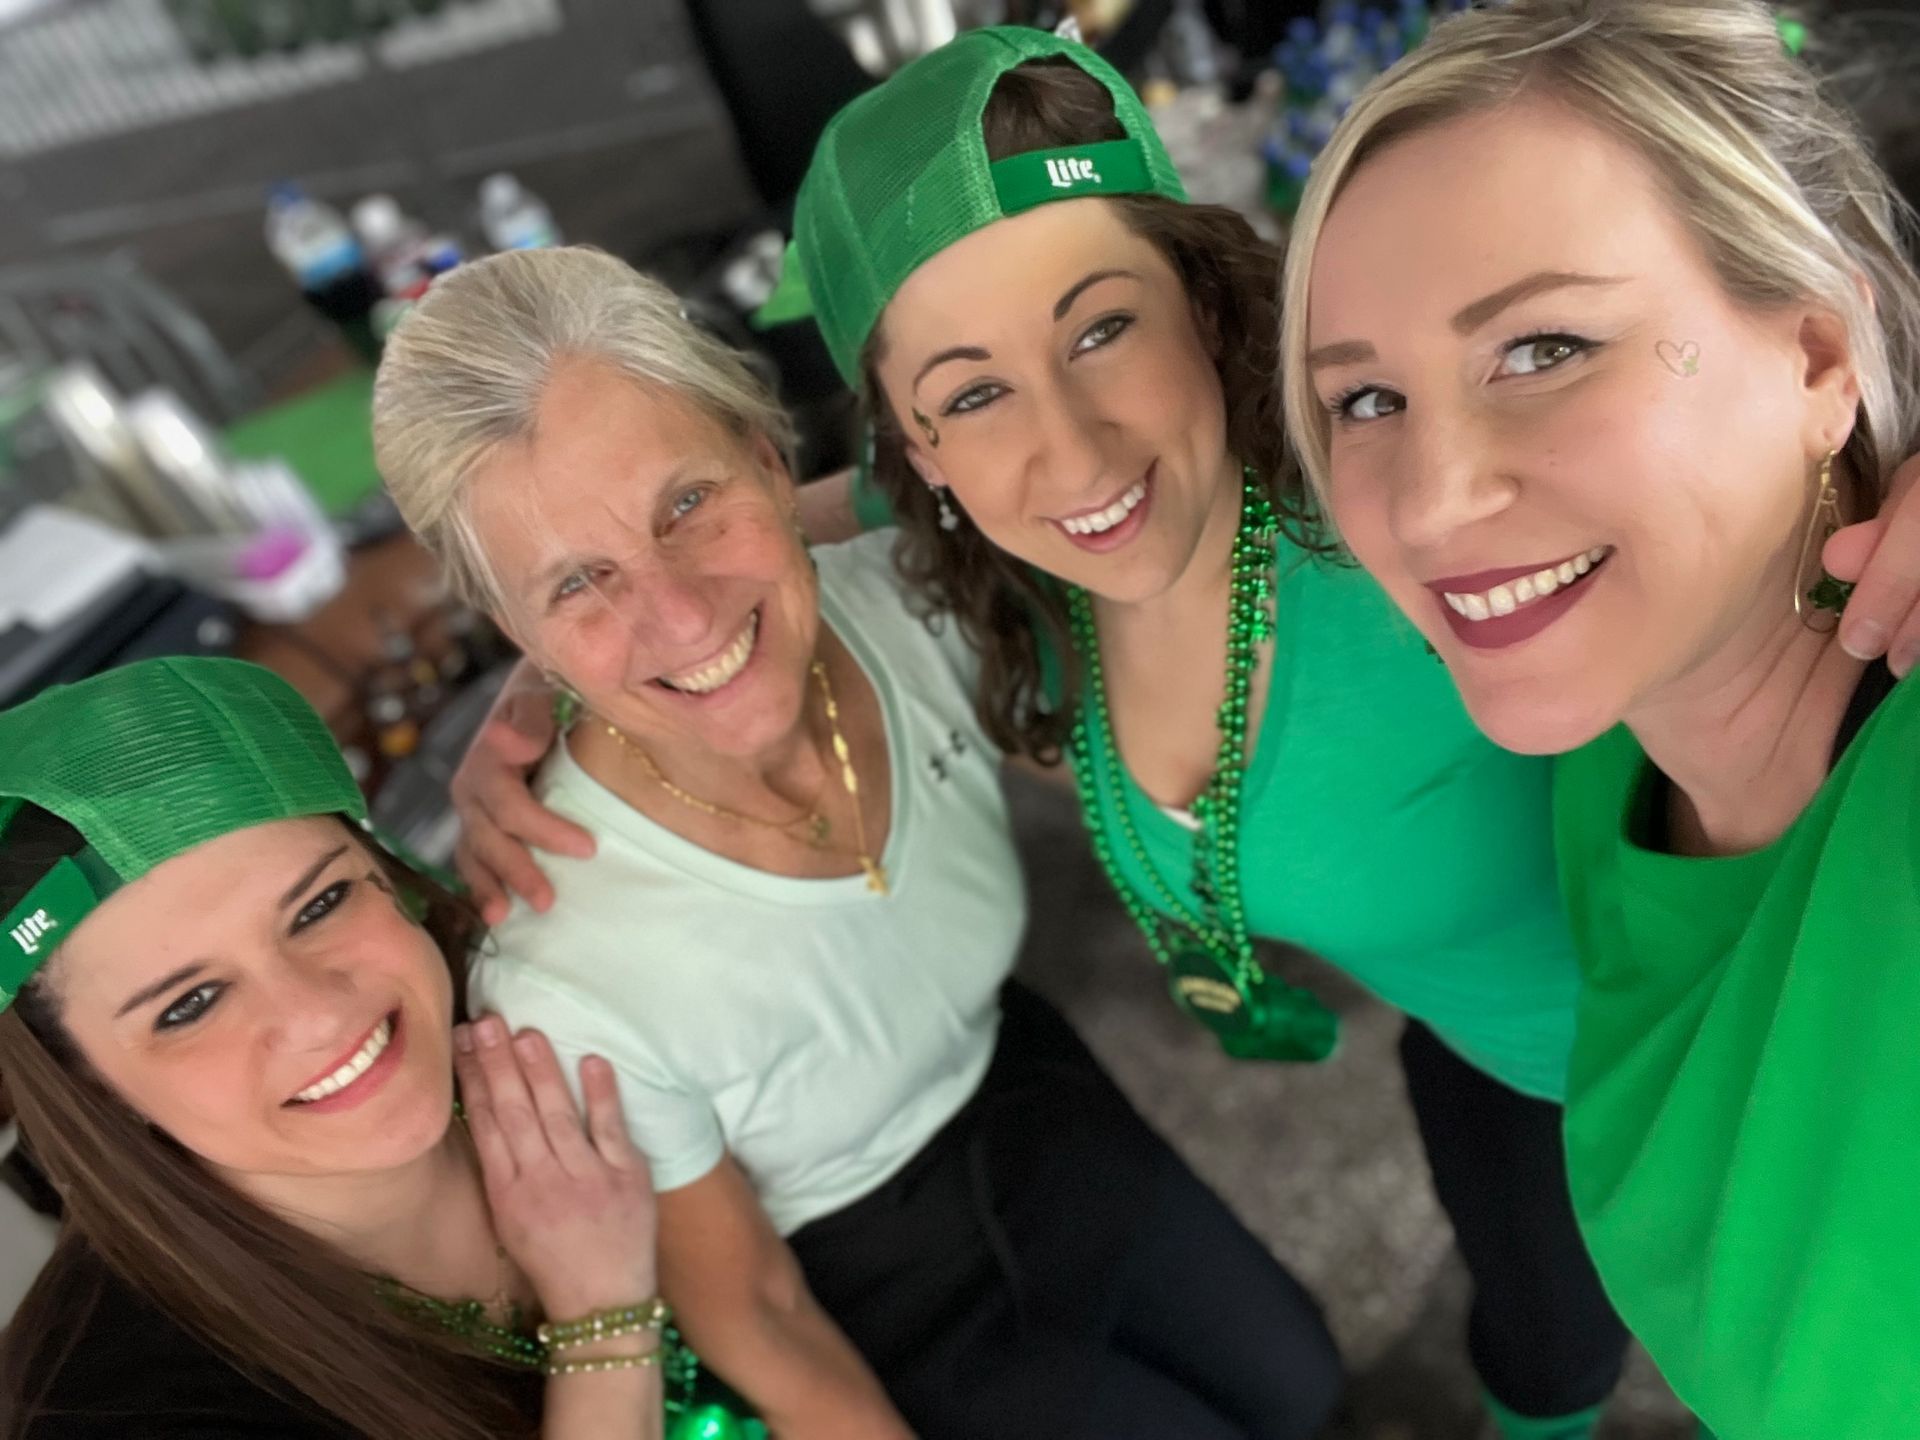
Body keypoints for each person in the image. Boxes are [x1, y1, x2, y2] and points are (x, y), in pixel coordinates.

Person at [446, 25, 1920, 1440]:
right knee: (1539, 1347)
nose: (1075, 448)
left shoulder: (1392, 510)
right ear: (919, 451)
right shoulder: (1013, 569)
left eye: (1104, 326)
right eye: (970, 392)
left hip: (1738, 1058)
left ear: (1206, 306)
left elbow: (1725, 420)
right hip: (1495, 1062)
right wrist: (565, 665)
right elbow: (742, 541)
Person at [371, 244, 1344, 1440]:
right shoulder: (565, 972)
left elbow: (1097, 530)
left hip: (1029, 1087)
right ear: (516, 629)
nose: (679, 616)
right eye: (578, 585)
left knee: (1297, 1382)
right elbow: (760, 1312)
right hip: (869, 1276)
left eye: (689, 503)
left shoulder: (912, 598)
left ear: (772, 464)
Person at [1282, 1, 1920, 1434]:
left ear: (1820, 357)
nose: (1431, 503)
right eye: (1367, 396)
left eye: (1543, 348)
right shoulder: (1608, 765)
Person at [0, 657, 673, 1440]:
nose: (317, 1015)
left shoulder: (565, 1004)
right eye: (190, 1005)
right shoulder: (108, 1413)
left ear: (388, 873)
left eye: (320, 904)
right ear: (92, 1085)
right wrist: (605, 1325)